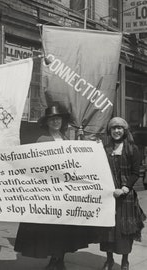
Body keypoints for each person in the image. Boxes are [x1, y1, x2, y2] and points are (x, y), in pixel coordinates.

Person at [14, 105, 92, 270]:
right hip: (49, 191)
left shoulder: (66, 139)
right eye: (52, 119)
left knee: (63, 228)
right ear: (47, 122)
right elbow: (36, 165)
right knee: (50, 228)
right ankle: (53, 259)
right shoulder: (42, 140)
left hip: (65, 192)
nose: (56, 121)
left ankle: (60, 259)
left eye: (58, 119)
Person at [100, 117, 146, 270]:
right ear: (110, 131)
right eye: (113, 128)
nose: (116, 131)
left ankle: (125, 261)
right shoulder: (104, 149)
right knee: (108, 230)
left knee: (125, 230)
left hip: (125, 196)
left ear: (125, 130)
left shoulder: (132, 149)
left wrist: (125, 188)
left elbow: (135, 173)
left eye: (119, 128)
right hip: (109, 196)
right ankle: (109, 259)